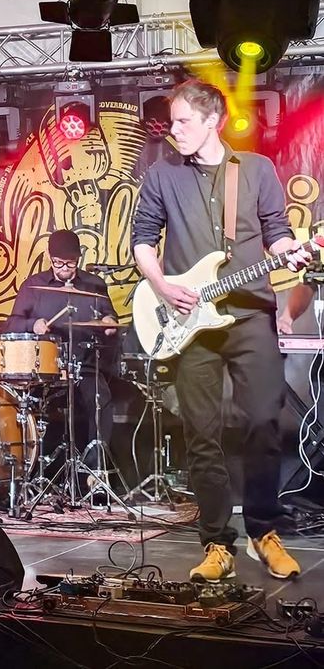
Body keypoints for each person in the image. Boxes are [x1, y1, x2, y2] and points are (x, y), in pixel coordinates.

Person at [131, 78, 310, 582]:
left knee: (262, 425)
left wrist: (289, 250)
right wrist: (162, 285)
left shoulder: (255, 170)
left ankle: (264, 532)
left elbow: (276, 234)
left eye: (184, 121)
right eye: (171, 121)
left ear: (215, 120)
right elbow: (144, 240)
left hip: (251, 313)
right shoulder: (162, 174)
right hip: (191, 322)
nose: (173, 131)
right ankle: (216, 543)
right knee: (201, 435)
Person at [7, 229, 118, 483]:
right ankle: (28, 474)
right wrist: (33, 324)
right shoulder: (33, 286)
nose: (64, 268)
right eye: (59, 263)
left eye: (70, 263)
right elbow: (12, 323)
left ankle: (94, 473)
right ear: (49, 257)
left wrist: (110, 321)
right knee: (23, 405)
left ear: (78, 259)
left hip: (85, 366)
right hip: (46, 371)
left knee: (101, 400)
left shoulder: (95, 285)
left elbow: (109, 317)